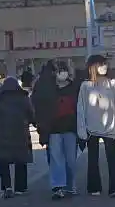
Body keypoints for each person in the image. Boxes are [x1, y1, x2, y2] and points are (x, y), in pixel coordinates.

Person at [76, 53, 115, 196]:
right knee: (93, 159)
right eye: (100, 64)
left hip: (110, 127)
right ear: (93, 67)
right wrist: (82, 129)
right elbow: (81, 108)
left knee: (112, 158)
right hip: (91, 128)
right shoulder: (85, 86)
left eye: (105, 64)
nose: (104, 67)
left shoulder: (113, 84)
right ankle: (94, 187)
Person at [34, 59, 80, 198]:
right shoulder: (47, 89)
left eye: (64, 70)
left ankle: (70, 185)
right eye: (59, 71)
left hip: (71, 128)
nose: (62, 74)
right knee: (56, 158)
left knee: (71, 159)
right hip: (53, 128)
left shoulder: (74, 87)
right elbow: (39, 106)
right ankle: (58, 186)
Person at [0, 74, 35, 196]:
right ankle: (20, 188)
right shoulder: (23, 98)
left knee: (3, 161)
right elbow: (31, 114)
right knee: (21, 160)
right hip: (21, 134)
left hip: (1, 134)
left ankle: (7, 186)